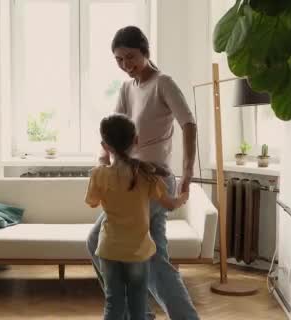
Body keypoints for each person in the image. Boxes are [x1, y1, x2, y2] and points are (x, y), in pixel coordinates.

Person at [86, 26, 199, 320]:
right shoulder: (127, 88)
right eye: (119, 60)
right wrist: (103, 159)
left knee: (97, 239)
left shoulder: (163, 83)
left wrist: (187, 173)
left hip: (155, 181)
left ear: (145, 51)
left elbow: (189, 124)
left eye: (131, 57)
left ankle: (131, 312)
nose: (126, 65)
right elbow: (113, 130)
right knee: (156, 259)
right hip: (130, 182)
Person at [85, 114, 189, 320]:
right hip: (138, 252)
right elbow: (169, 205)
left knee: (113, 303)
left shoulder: (99, 175)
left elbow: (92, 202)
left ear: (105, 145)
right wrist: (182, 198)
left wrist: (102, 162)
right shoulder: (147, 176)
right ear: (136, 141)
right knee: (138, 305)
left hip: (109, 251)